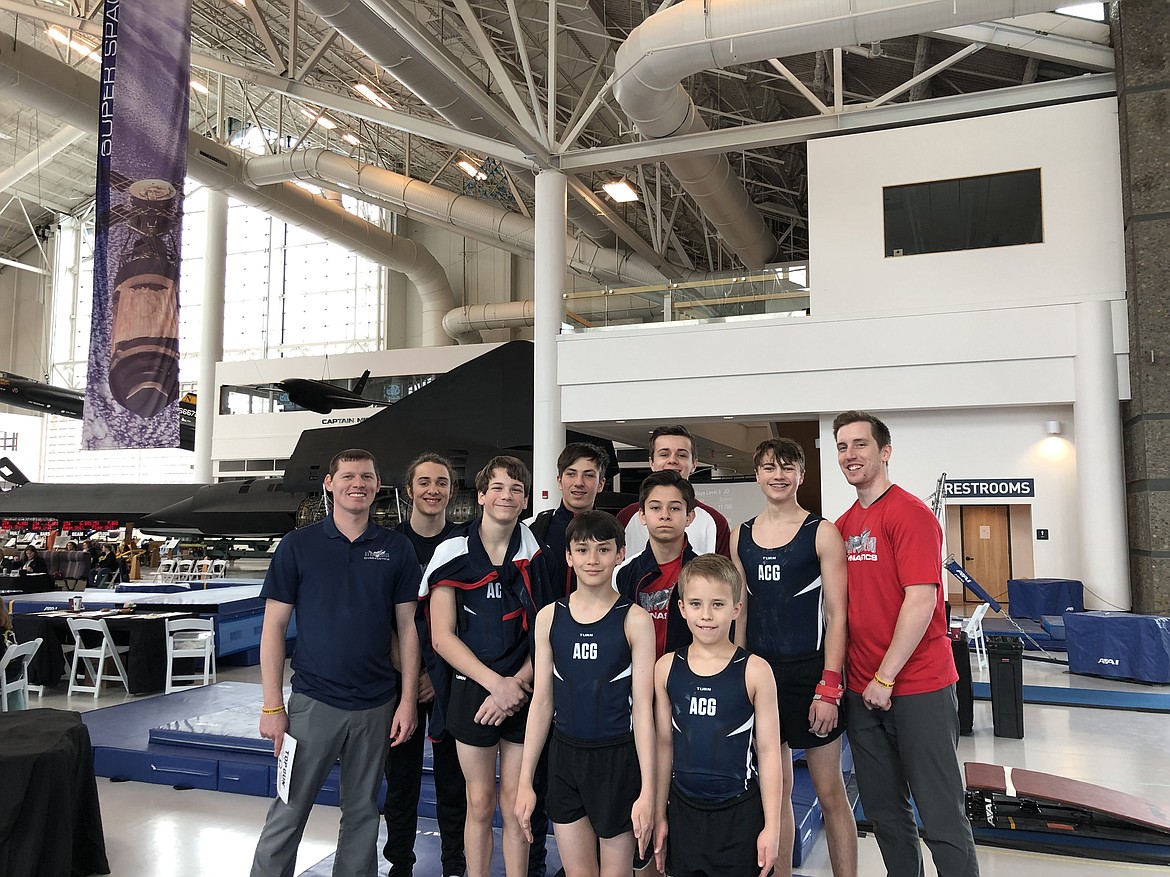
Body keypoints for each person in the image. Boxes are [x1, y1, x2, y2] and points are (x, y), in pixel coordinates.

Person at [249, 448, 421, 877]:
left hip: (376, 704)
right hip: (313, 703)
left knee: (363, 811)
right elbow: (273, 629)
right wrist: (273, 704)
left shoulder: (396, 549)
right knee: (289, 809)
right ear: (329, 484)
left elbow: (407, 629)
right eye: (347, 476)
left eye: (366, 476)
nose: (357, 484)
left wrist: (407, 701)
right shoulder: (298, 546)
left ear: (377, 487)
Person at [833, 411, 980, 877]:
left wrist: (885, 676)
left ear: (885, 452)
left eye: (860, 444)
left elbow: (920, 601)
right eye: (842, 446)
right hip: (862, 691)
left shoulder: (909, 514)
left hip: (916, 686)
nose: (850, 455)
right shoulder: (842, 525)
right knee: (885, 817)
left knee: (940, 816)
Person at [423, 455, 554, 877]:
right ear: (481, 496)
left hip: (524, 689)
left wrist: (515, 684)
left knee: (517, 804)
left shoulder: (536, 553)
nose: (507, 495)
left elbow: (550, 632)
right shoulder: (452, 551)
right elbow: (442, 636)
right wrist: (495, 685)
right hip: (474, 690)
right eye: (497, 487)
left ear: (526, 500)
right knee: (479, 801)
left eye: (516, 489)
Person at [732, 438, 856, 877]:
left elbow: (838, 615)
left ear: (801, 475)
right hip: (761, 673)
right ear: (758, 474)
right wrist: (738, 673)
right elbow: (741, 609)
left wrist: (830, 684)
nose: (778, 475)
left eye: (787, 467)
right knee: (776, 792)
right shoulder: (741, 534)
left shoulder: (821, 532)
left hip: (810, 672)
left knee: (829, 791)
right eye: (769, 467)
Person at [516, 511, 656, 877]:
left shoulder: (635, 620)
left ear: (620, 554)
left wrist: (649, 791)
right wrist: (525, 782)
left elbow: (643, 710)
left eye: (603, 550)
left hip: (617, 760)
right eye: (582, 550)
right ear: (568, 556)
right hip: (565, 759)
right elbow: (542, 703)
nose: (592, 560)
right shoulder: (549, 617)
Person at [652, 554, 782, 877]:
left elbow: (768, 753)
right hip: (685, 812)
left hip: (739, 814)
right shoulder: (666, 668)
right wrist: (659, 814)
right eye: (695, 604)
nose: (706, 615)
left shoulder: (755, 671)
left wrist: (773, 826)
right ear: (681, 609)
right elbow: (664, 746)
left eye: (718, 605)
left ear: (737, 608)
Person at [383, 453, 467, 877]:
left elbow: (470, 621)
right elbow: (386, 622)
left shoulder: (465, 544)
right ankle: (400, 862)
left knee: (454, 781)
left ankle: (455, 861)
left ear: (452, 491)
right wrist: (411, 676)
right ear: (410, 490)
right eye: (425, 482)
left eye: (442, 482)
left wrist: (437, 674)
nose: (433, 490)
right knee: (401, 780)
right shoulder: (389, 544)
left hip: (450, 680)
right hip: (401, 683)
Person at [616, 471, 698, 659]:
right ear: (642, 516)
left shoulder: (706, 572)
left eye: (675, 508)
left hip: (688, 678)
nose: (665, 515)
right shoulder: (622, 573)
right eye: (655, 508)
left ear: (689, 517)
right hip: (635, 679)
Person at [617, 425, 730, 559]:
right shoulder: (626, 517)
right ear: (651, 462)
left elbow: (724, 576)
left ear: (694, 464)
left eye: (682, 455)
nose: (672, 460)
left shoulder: (716, 521)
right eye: (664, 454)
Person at [529, 441, 609, 597]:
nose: (579, 483)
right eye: (571, 474)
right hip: (546, 619)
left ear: (601, 484)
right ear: (559, 481)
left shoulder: (611, 532)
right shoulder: (536, 530)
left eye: (588, 475)